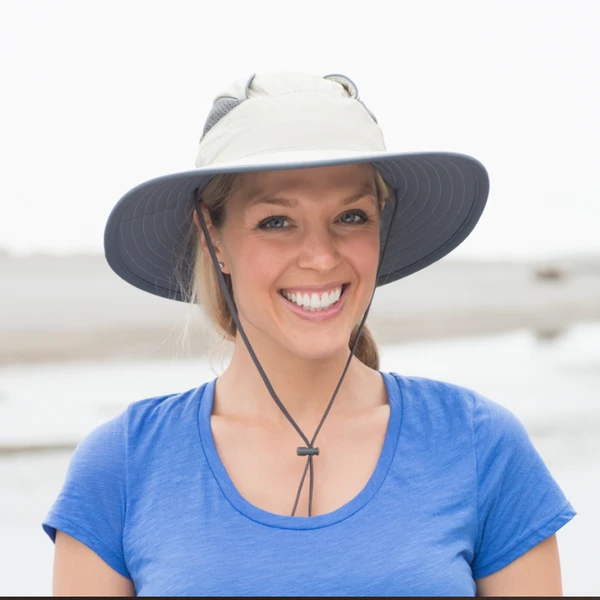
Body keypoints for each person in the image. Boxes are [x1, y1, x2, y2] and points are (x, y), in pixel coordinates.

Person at [42, 72, 575, 596]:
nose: (321, 258)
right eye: (276, 221)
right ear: (214, 239)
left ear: (381, 224)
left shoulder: (479, 446)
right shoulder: (122, 466)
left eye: (351, 216)